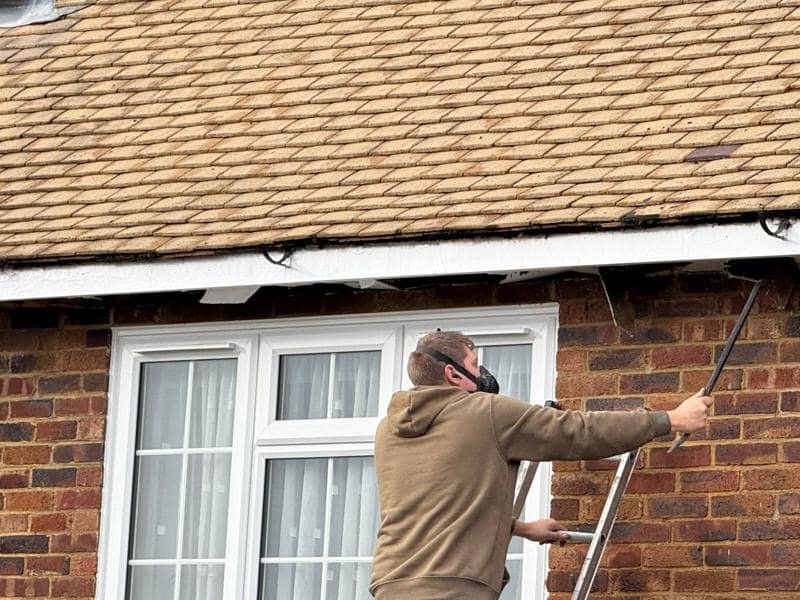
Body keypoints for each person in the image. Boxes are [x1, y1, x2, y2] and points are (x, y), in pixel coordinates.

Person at [369, 330, 713, 600]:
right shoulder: (486, 412)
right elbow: (577, 431)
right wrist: (670, 420)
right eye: (474, 365)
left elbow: (438, 507)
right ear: (453, 374)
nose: (481, 373)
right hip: (453, 588)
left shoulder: (388, 430)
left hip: (391, 583)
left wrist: (521, 528)